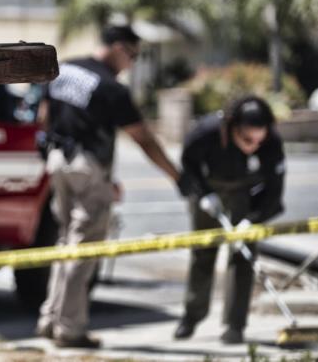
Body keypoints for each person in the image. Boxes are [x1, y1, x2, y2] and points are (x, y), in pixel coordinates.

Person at [35, 25, 181, 348]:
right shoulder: (111, 88)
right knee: (84, 249)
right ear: (117, 48)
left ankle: (50, 317)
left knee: (65, 241)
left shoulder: (64, 68)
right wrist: (176, 175)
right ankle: (69, 328)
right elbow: (143, 138)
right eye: (132, 55)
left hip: (57, 159)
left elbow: (44, 115)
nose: (132, 63)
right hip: (88, 165)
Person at [173, 96, 285, 344]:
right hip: (210, 190)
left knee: (243, 255)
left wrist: (253, 220)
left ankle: (235, 325)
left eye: (259, 140)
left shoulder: (271, 142)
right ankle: (192, 315)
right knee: (203, 252)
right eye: (247, 140)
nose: (253, 146)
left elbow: (275, 191)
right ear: (233, 127)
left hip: (244, 193)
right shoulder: (207, 131)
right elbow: (188, 163)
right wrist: (203, 194)